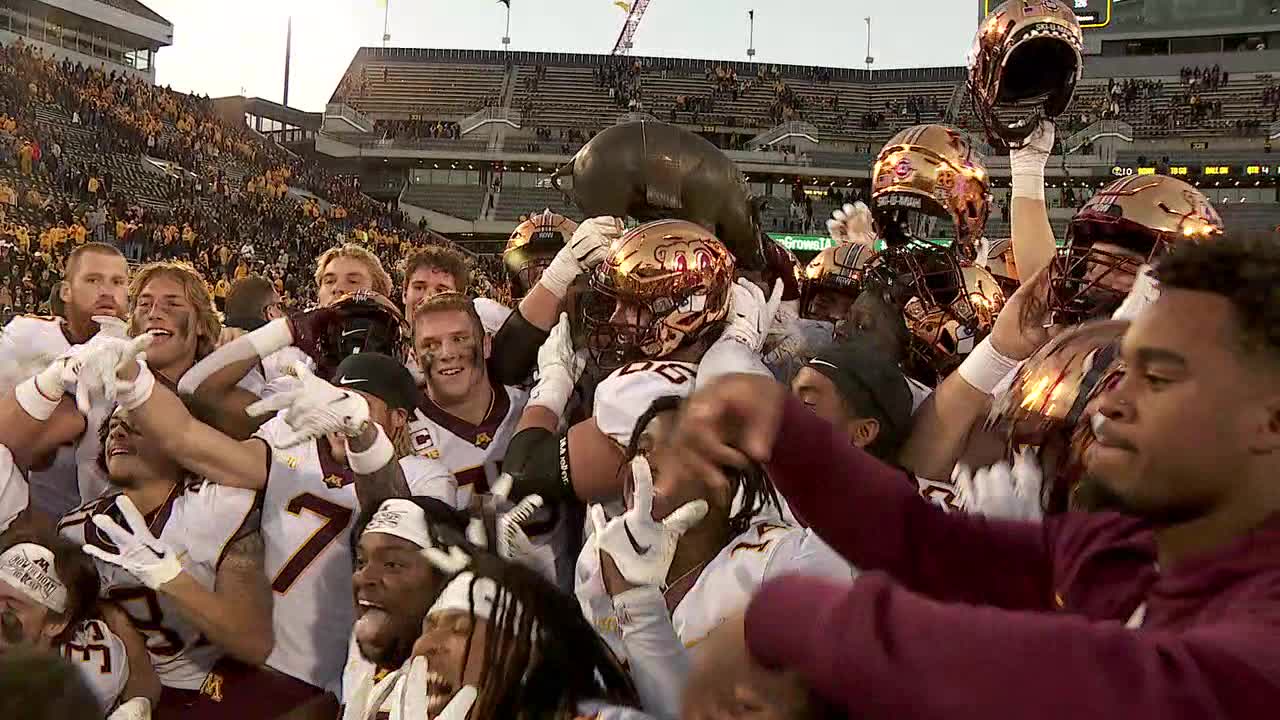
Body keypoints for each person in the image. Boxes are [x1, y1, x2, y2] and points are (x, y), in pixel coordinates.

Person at [667, 232, 1280, 719]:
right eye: (1126, 373)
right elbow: (920, 539)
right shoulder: (1127, 551)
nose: (1108, 404)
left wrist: (783, 615)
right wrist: (782, 427)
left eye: (1161, 378)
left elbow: (1100, 681)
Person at [0, 530, 158, 718]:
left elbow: (144, 685)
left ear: (55, 624)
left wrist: (138, 704)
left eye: (10, 607)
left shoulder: (90, 676)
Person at [341, 496, 471, 719]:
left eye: (392, 564)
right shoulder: (370, 642)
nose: (364, 577)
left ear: (445, 581)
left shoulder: (468, 671)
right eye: (361, 562)